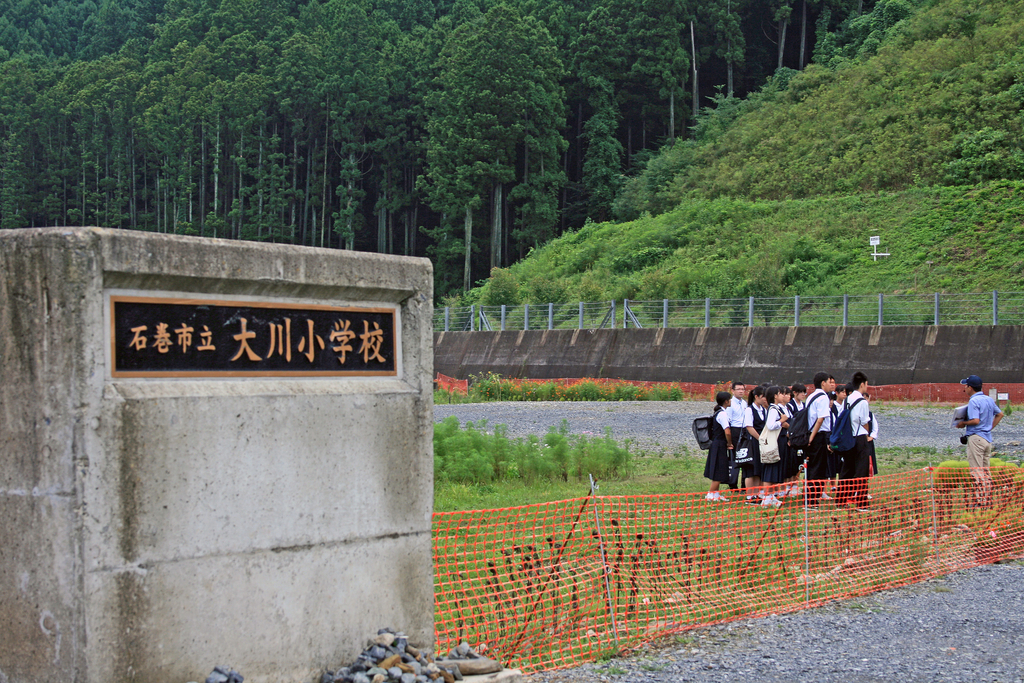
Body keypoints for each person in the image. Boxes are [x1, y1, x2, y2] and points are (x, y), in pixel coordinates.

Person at [955, 374, 1003, 508]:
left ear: (970, 387)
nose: (965, 388)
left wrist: (963, 423)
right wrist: (989, 428)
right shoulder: (988, 399)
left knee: (976, 471)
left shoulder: (973, 401)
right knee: (986, 471)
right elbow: (1000, 414)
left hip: (976, 438)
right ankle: (988, 499)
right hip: (987, 439)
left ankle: (981, 501)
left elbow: (976, 420)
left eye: (966, 386)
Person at [835, 372, 872, 510]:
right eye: (866, 384)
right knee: (861, 471)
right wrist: (867, 433)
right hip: (860, 438)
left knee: (847, 470)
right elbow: (865, 422)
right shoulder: (862, 401)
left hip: (847, 438)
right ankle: (861, 502)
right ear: (862, 384)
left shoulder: (847, 399)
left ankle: (841, 501)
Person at [805, 372, 836, 506]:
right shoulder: (823, 397)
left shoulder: (811, 396)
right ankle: (813, 500)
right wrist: (812, 438)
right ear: (823, 383)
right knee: (818, 467)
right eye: (830, 382)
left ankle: (810, 497)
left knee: (812, 466)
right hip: (818, 435)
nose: (832, 385)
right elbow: (820, 419)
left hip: (811, 434)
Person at [760, 386, 789, 506]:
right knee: (771, 469)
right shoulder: (773, 410)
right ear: (775, 396)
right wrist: (781, 422)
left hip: (780, 441)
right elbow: (770, 425)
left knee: (776, 469)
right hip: (774, 442)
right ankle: (766, 498)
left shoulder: (778, 408)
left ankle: (771, 496)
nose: (783, 395)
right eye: (780, 393)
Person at [705, 391, 735, 501]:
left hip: (717, 443)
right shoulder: (722, 414)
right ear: (726, 401)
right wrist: (729, 443)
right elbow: (727, 431)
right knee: (719, 468)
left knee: (719, 467)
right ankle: (711, 494)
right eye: (730, 399)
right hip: (720, 444)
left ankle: (716, 494)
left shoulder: (719, 412)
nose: (731, 401)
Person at [741, 385, 769, 503]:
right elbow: (749, 427)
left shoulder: (763, 410)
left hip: (761, 443)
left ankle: (757, 494)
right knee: (750, 470)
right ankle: (749, 495)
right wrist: (760, 438)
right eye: (762, 397)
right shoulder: (749, 410)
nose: (764, 399)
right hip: (752, 442)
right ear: (756, 397)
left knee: (758, 469)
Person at [725, 381, 747, 489]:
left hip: (744, 430)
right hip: (735, 430)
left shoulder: (744, 403)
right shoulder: (730, 403)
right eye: (738, 389)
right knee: (735, 459)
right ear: (733, 391)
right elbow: (728, 421)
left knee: (745, 457)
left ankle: (744, 485)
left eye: (742, 389)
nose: (741, 391)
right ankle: (733, 484)